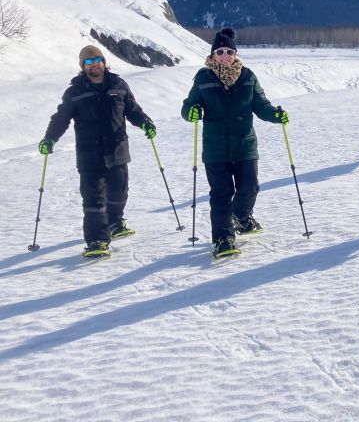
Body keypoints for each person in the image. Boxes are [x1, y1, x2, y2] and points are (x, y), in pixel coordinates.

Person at [180, 27, 289, 257]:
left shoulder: (248, 76)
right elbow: (188, 105)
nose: (225, 56)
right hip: (215, 149)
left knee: (250, 188)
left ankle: (241, 216)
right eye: (220, 51)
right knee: (221, 194)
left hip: (244, 145)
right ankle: (223, 239)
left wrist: (275, 115)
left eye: (229, 51)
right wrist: (191, 111)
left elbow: (261, 106)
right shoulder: (203, 77)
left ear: (235, 54)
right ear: (212, 54)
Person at [39, 45, 156, 256]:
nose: (95, 65)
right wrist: (49, 139)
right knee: (93, 200)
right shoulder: (75, 92)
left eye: (98, 60)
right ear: (83, 66)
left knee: (119, 193)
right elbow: (61, 118)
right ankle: (96, 240)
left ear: (104, 62)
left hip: (118, 149)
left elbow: (133, 109)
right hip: (89, 154)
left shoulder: (118, 85)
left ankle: (115, 221)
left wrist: (146, 123)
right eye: (89, 62)